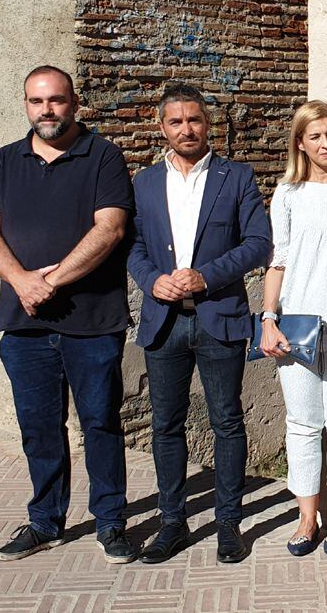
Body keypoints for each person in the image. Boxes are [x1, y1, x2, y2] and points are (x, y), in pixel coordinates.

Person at [0, 66, 138, 564]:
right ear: (26, 105)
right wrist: (22, 282)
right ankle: (45, 521)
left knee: (100, 425)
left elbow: (110, 229)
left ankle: (111, 523)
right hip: (24, 324)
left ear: (75, 102)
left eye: (56, 100)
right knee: (39, 428)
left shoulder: (104, 156)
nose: (46, 110)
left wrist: (48, 280)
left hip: (91, 323)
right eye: (36, 101)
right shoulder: (5, 160)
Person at [128, 83, 271, 565]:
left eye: (194, 120)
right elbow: (133, 247)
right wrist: (152, 282)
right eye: (176, 121)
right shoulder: (144, 183)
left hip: (219, 319)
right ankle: (173, 522)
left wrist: (205, 276)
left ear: (206, 123)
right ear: (161, 126)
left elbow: (257, 243)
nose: (186, 129)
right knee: (166, 426)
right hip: (164, 322)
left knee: (226, 421)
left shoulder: (237, 177)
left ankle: (228, 523)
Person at [258, 100, 327, 557]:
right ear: (300, 144)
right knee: (302, 423)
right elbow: (277, 260)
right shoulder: (287, 194)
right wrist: (268, 318)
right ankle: (307, 518)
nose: (325, 143)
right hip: (297, 325)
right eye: (315, 136)